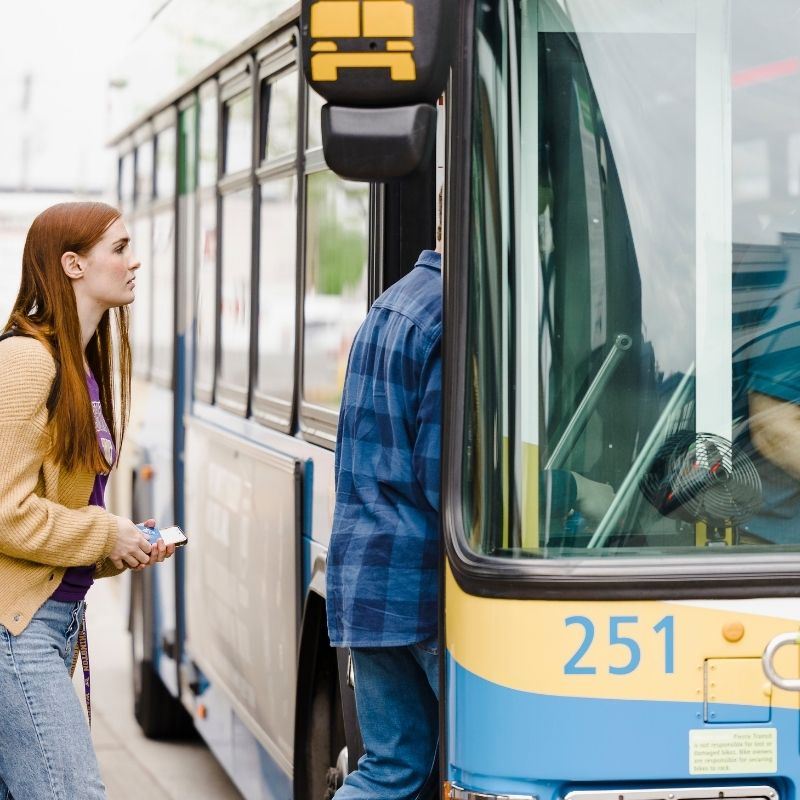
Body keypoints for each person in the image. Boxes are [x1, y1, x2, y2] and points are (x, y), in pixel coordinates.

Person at [0, 202, 174, 800]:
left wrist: (122, 544)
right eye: (119, 249)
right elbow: (6, 513)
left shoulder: (80, 368)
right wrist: (106, 534)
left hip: (49, 623)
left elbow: (55, 514)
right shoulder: (26, 361)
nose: (135, 261)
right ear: (73, 265)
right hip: (15, 631)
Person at [327, 241, 443, 799]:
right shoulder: (455, 318)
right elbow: (448, 478)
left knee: (390, 770)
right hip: (420, 590)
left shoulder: (392, 303)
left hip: (366, 580)